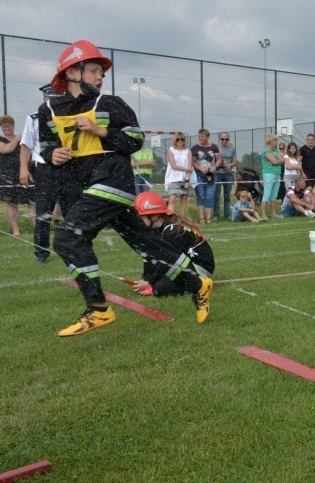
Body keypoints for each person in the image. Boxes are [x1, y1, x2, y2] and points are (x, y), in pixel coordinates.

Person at [39, 39, 212, 336]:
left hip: (112, 181)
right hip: (86, 186)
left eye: (101, 73)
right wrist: (53, 155)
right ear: (71, 73)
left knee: (68, 238)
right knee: (145, 243)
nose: (100, 77)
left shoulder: (110, 104)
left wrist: (100, 130)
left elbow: (134, 141)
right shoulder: (48, 111)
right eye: (94, 70)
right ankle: (199, 284)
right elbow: (46, 148)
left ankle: (98, 308)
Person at [19, 84, 79, 264]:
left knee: (72, 212)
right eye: (48, 98)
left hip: (69, 168)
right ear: (44, 99)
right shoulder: (34, 118)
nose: (51, 102)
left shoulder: (72, 116)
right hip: (45, 169)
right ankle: (41, 252)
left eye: (54, 99)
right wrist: (23, 168)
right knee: (43, 213)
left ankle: (74, 249)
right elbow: (26, 144)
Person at [131, 192, 215, 306]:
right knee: (159, 284)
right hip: (183, 263)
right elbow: (151, 257)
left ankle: (200, 282)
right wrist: (146, 278)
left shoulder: (172, 231)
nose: (138, 221)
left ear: (154, 216)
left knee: (160, 289)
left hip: (199, 266)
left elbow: (166, 261)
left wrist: (151, 282)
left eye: (141, 217)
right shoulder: (158, 230)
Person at [0, 115, 34, 236]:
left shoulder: (23, 139)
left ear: (13, 126)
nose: (7, 128)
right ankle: (16, 230)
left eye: (9, 126)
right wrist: (17, 139)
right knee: (12, 203)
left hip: (26, 173)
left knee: (32, 201)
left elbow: (29, 152)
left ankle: (37, 228)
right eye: (4, 127)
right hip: (8, 175)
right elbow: (6, 149)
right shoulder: (2, 140)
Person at [191, 128, 221, 224]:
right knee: (200, 195)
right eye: (199, 136)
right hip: (199, 175)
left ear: (207, 137)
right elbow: (192, 162)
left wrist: (215, 167)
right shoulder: (195, 148)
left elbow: (219, 159)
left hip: (211, 175)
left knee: (210, 196)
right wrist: (200, 168)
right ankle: (201, 217)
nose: (200, 138)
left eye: (202, 136)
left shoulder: (214, 147)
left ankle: (208, 217)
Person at [164, 132, 196, 217]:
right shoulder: (171, 150)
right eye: (178, 139)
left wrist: (187, 180)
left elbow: (190, 166)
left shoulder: (188, 151)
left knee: (184, 200)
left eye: (182, 139)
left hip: (185, 178)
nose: (180, 141)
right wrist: (187, 169)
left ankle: (182, 218)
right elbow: (173, 165)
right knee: (172, 200)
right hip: (173, 178)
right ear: (175, 140)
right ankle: (170, 218)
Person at [214, 132, 237, 221]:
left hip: (228, 174)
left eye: (226, 139)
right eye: (222, 139)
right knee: (216, 195)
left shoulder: (232, 148)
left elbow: (235, 160)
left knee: (227, 195)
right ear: (219, 139)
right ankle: (216, 215)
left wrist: (231, 165)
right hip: (218, 173)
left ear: (228, 139)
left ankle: (227, 215)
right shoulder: (215, 147)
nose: (224, 141)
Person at [260, 133, 284, 220]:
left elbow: (279, 160)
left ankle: (274, 213)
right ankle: (263, 214)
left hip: (277, 173)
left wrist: (279, 161)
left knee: (274, 194)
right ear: (270, 141)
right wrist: (281, 160)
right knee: (267, 194)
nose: (276, 142)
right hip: (269, 174)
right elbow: (275, 161)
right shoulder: (266, 150)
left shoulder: (276, 151)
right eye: (275, 141)